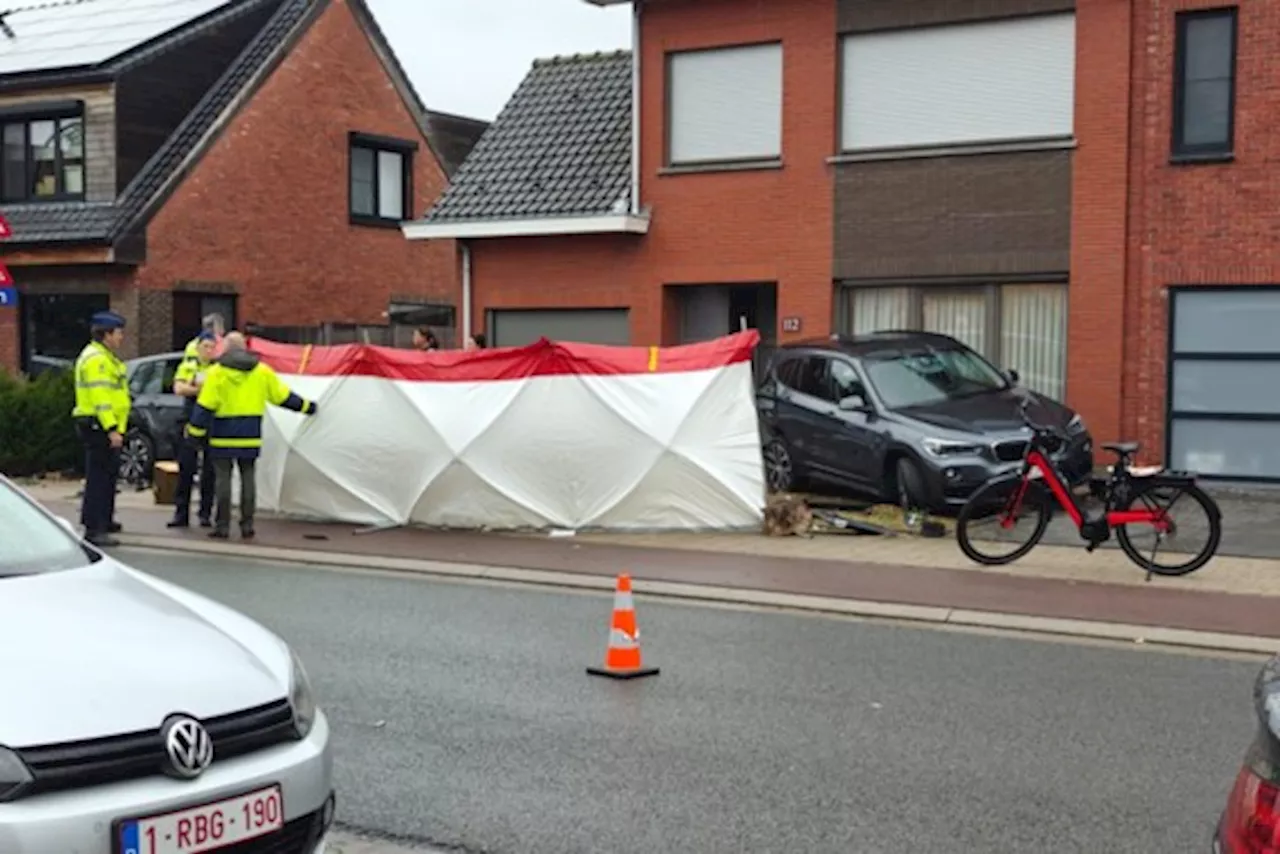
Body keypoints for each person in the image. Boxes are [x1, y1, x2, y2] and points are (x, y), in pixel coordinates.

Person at [187, 332, 318, 540]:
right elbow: (282, 397)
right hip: (250, 433)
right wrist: (308, 407)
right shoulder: (262, 371)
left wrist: (194, 433)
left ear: (226, 349)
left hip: (222, 434)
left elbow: (205, 407)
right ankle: (247, 525)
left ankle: (222, 526)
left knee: (223, 481)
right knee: (248, 479)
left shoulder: (216, 373)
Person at [71, 311, 131, 547]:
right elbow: (101, 397)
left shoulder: (104, 357)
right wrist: (112, 428)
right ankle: (94, 527)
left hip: (103, 424)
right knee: (99, 477)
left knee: (107, 475)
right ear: (106, 335)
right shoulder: (97, 360)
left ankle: (104, 519)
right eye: (118, 333)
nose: (121, 337)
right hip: (99, 424)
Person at [167, 331, 218, 529]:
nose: (209, 350)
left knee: (210, 470)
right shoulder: (189, 365)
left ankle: (205, 514)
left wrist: (196, 388)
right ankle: (181, 514)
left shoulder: (217, 368)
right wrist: (202, 390)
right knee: (186, 468)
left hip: (211, 422)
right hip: (189, 420)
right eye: (205, 346)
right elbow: (179, 388)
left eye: (212, 347)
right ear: (197, 348)